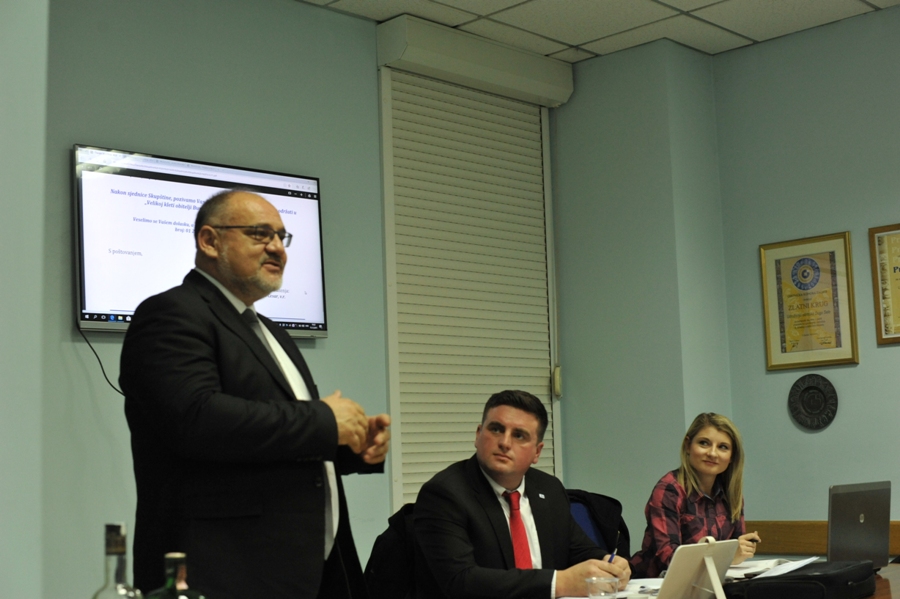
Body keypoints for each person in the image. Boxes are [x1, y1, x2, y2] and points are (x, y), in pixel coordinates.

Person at [120, 189, 390, 599]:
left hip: (308, 570)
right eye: (260, 234)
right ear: (210, 241)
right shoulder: (171, 313)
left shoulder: (271, 331)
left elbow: (275, 439)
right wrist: (323, 420)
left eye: (282, 236)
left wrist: (350, 445)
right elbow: (196, 419)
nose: (278, 248)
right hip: (225, 572)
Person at [413, 390, 630, 599]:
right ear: (478, 435)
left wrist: (610, 563)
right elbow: (460, 581)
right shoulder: (445, 494)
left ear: (537, 452)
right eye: (496, 429)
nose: (505, 443)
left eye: (519, 435)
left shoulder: (549, 488)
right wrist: (560, 583)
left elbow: (577, 549)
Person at [629, 413, 760, 578]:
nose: (713, 453)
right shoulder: (669, 489)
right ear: (688, 446)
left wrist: (743, 549)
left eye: (723, 447)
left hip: (709, 582)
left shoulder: (731, 494)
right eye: (704, 443)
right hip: (656, 584)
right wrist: (726, 556)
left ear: (732, 456)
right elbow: (670, 559)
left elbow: (735, 548)